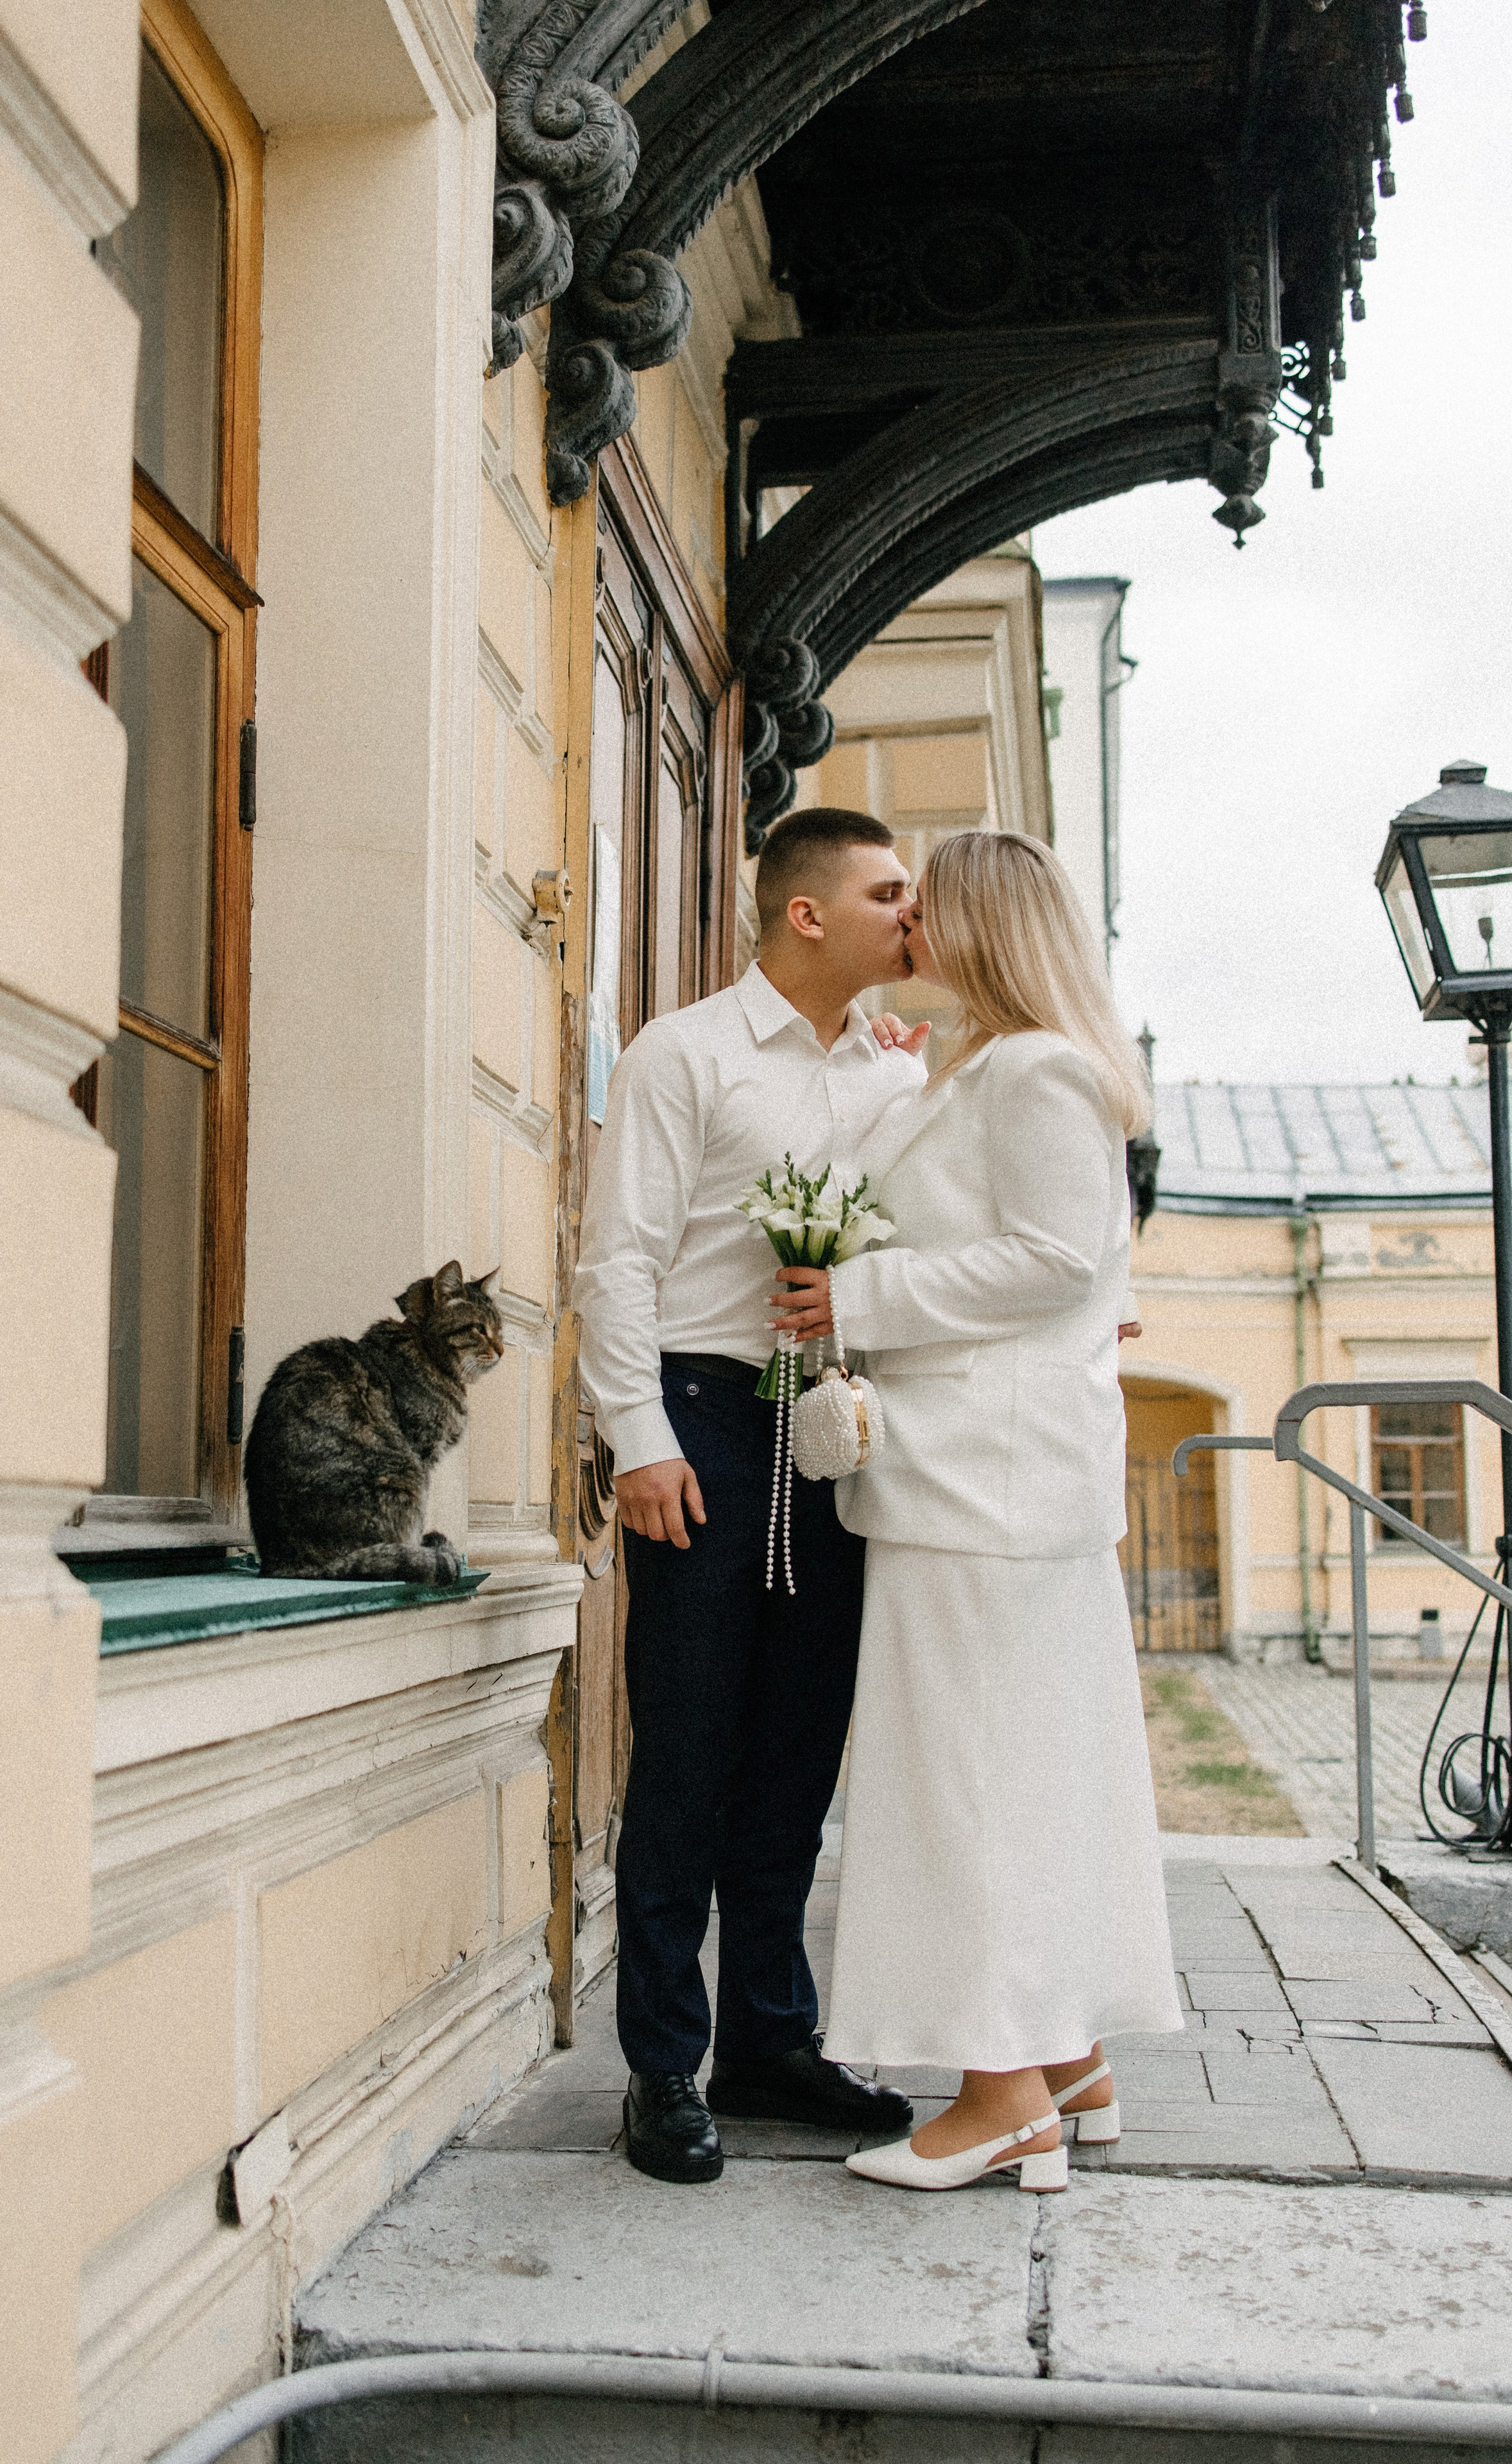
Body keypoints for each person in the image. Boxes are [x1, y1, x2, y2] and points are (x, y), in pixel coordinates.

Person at [770, 830, 1181, 2193]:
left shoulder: (1040, 1074)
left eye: (924, 907)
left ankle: (996, 2095)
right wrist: (901, 1066)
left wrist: (857, 1301)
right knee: (1019, 1774)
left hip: (982, 1486)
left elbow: (1055, 1260)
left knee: (962, 1788)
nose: (907, 927)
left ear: (984, 927)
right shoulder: (985, 1069)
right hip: (987, 1482)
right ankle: (1062, 2058)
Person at [572, 808, 924, 2184]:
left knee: (794, 1752)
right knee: (688, 1751)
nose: (915, 911)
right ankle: (663, 2065)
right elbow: (620, 1262)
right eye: (889, 889)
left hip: (827, 1425)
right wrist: (638, 1436)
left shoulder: (898, 1079)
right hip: (704, 1421)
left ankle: (770, 2044)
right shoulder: (687, 1054)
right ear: (806, 913)